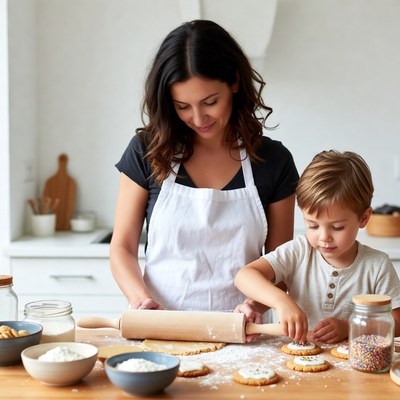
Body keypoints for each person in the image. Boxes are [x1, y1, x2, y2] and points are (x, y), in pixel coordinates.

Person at [110, 20, 299, 322]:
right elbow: (122, 247)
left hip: (243, 333)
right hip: (161, 326)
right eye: (182, 106)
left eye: (210, 102)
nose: (198, 118)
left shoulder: (273, 161)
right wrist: (140, 299)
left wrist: (255, 306)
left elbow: (283, 263)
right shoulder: (146, 151)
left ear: (235, 82)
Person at [235, 150, 400, 344]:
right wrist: (277, 301)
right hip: (295, 360)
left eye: (337, 227)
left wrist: (350, 327)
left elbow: (397, 321)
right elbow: (244, 276)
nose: (324, 238)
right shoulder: (299, 252)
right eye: (312, 225)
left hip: (353, 366)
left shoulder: (376, 265)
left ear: (363, 218)